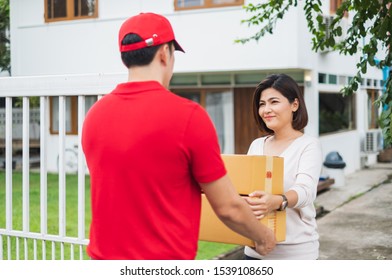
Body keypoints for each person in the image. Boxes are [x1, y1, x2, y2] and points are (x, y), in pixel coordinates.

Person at [81, 12, 275, 260]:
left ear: (125, 59)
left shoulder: (94, 115)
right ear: (164, 53)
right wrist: (264, 237)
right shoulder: (189, 116)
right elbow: (228, 207)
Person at [244, 73, 322, 260]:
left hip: (296, 254)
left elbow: (305, 191)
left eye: (274, 102)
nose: (266, 110)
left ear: (294, 105)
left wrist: (277, 201)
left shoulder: (308, 145)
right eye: (262, 104)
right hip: (254, 252)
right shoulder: (256, 145)